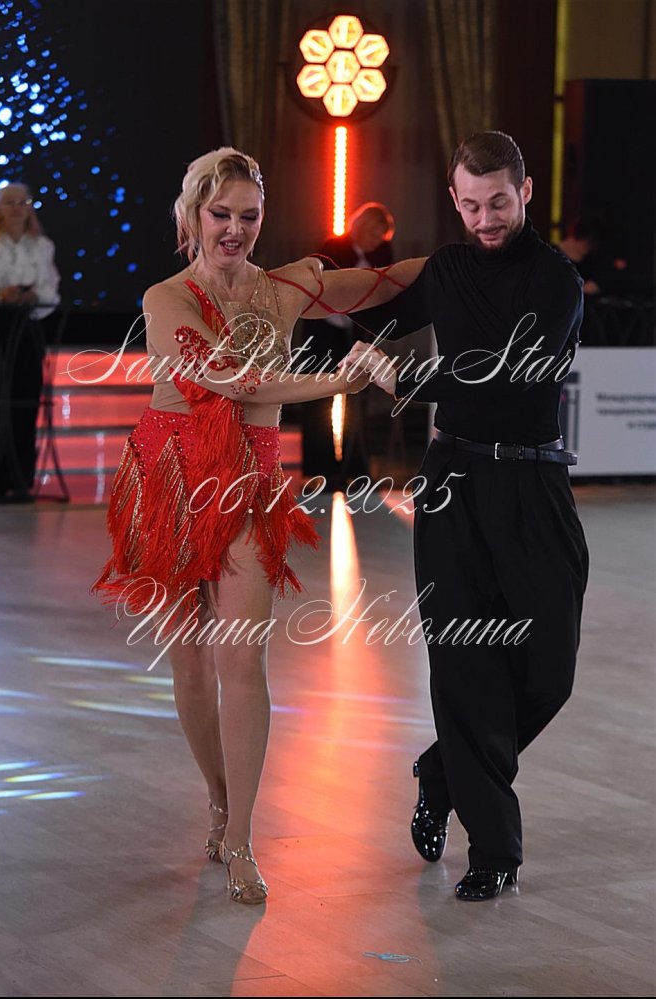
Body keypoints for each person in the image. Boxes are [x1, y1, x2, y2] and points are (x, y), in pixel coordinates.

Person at [90, 148, 398, 905]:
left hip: (250, 484)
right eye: (220, 213)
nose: (234, 228)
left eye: (248, 215)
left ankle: (241, 838)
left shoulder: (285, 286)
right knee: (192, 666)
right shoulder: (166, 298)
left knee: (243, 659)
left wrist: (473, 249)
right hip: (171, 482)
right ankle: (219, 798)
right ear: (193, 215)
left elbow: (390, 281)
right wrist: (340, 379)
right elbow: (228, 380)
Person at [343, 131, 590, 901]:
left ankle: (443, 769)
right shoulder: (446, 268)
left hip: (534, 481)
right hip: (450, 480)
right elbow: (372, 315)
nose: (486, 219)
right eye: (472, 205)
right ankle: (494, 852)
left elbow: (509, 376)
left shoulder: (556, 280)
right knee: (464, 663)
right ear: (454, 199)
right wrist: (288, 295)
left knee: (549, 667)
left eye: (499, 202)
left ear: (525, 192)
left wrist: (404, 379)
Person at [300, 202, 395, 483]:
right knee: (318, 397)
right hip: (323, 332)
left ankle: (356, 467)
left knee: (358, 399)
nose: (376, 241)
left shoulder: (381, 253)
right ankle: (321, 469)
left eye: (380, 237)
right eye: (373, 234)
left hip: (357, 334)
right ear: (361, 227)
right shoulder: (332, 248)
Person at [0, 183, 60, 502]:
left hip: (28, 328)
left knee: (25, 395)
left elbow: (50, 287)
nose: (17, 208)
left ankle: (20, 478)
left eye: (23, 202)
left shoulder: (42, 246)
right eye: (10, 202)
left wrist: (31, 295)